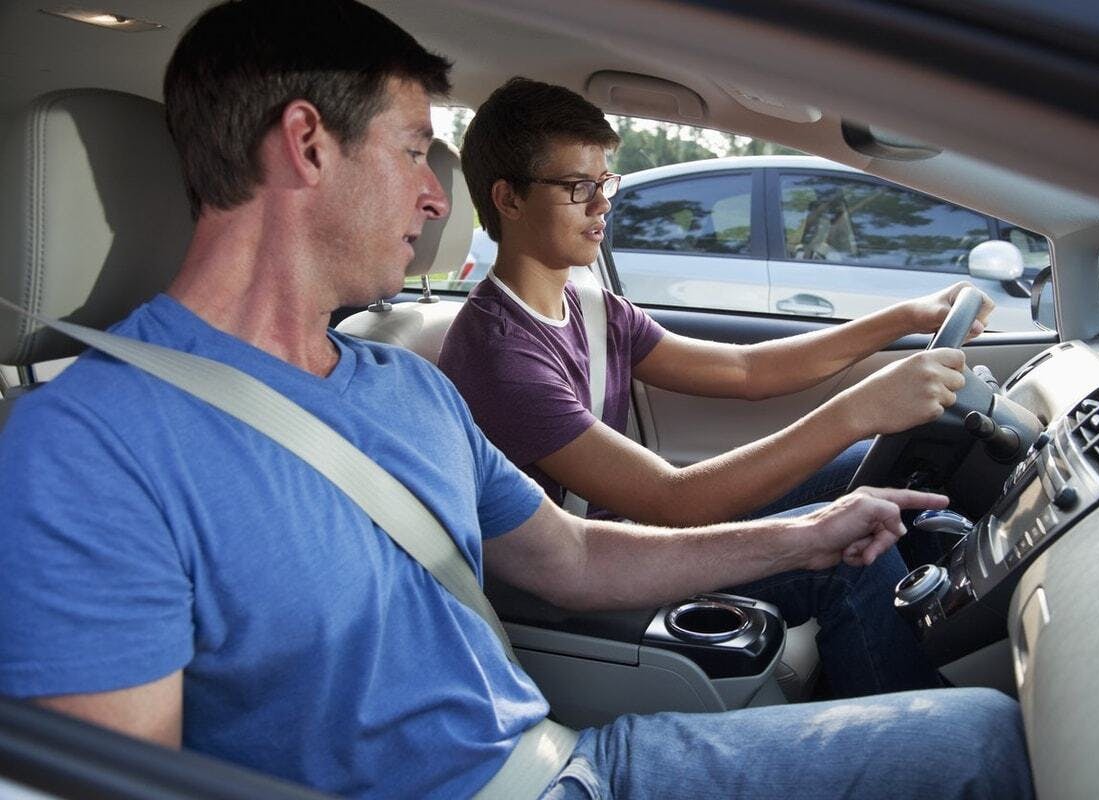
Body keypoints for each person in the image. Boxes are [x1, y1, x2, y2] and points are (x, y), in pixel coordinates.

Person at [0, 2, 1032, 799]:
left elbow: (575, 556)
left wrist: (810, 534)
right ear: (308, 144)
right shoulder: (88, 447)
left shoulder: (405, 381)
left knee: (985, 735)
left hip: (570, 758)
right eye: (414, 149)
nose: (437, 194)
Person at [438, 77, 988, 697]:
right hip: (587, 578)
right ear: (508, 199)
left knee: (869, 464)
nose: (602, 205)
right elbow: (672, 501)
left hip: (633, 538)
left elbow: (745, 371)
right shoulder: (499, 355)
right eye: (577, 188)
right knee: (849, 556)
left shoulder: (591, 308)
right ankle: (914, 736)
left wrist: (905, 317)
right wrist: (857, 409)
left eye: (604, 183)